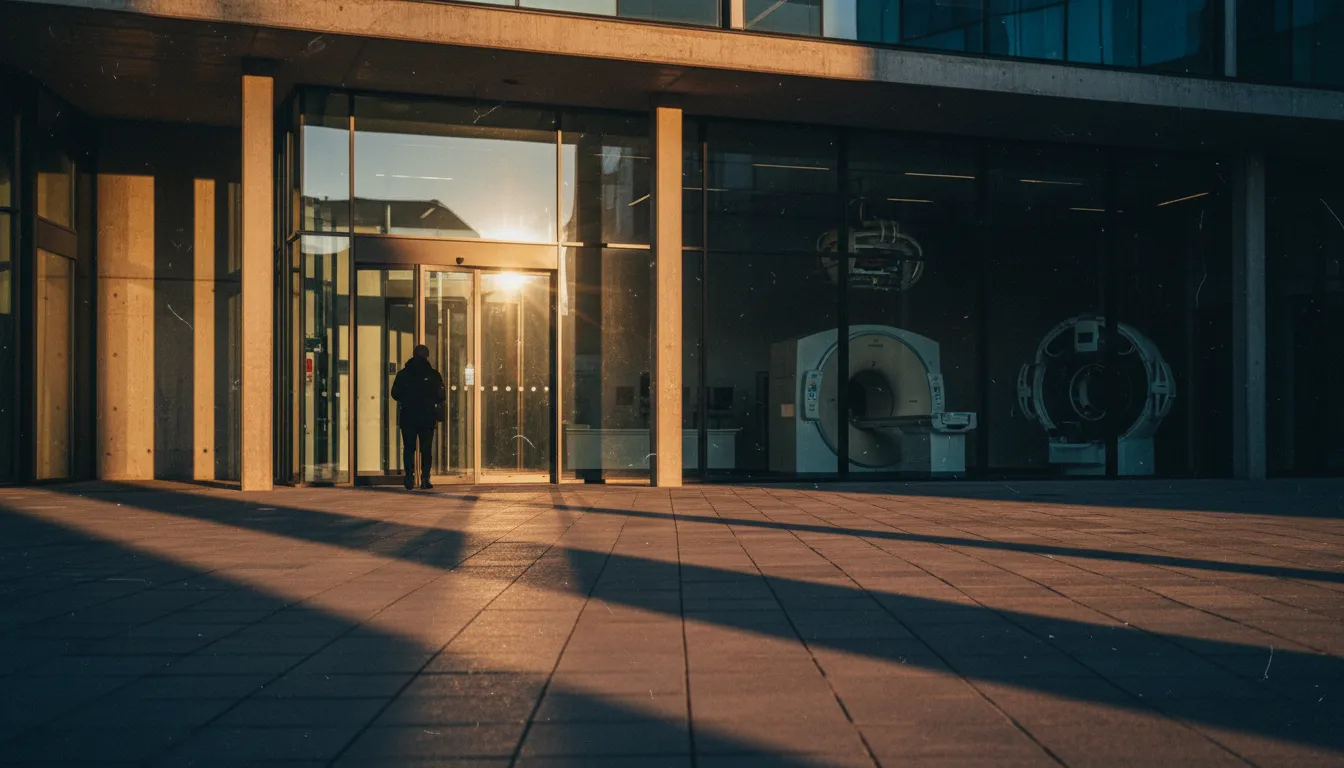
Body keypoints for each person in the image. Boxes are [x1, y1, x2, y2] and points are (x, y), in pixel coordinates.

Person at [390, 344, 446, 490]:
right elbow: (441, 395)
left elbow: (394, 394)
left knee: (409, 448)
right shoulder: (433, 375)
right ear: (427, 356)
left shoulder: (403, 374)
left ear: (413, 354)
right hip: (427, 417)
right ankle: (425, 478)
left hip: (408, 416)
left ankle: (409, 477)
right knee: (426, 449)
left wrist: (407, 398)